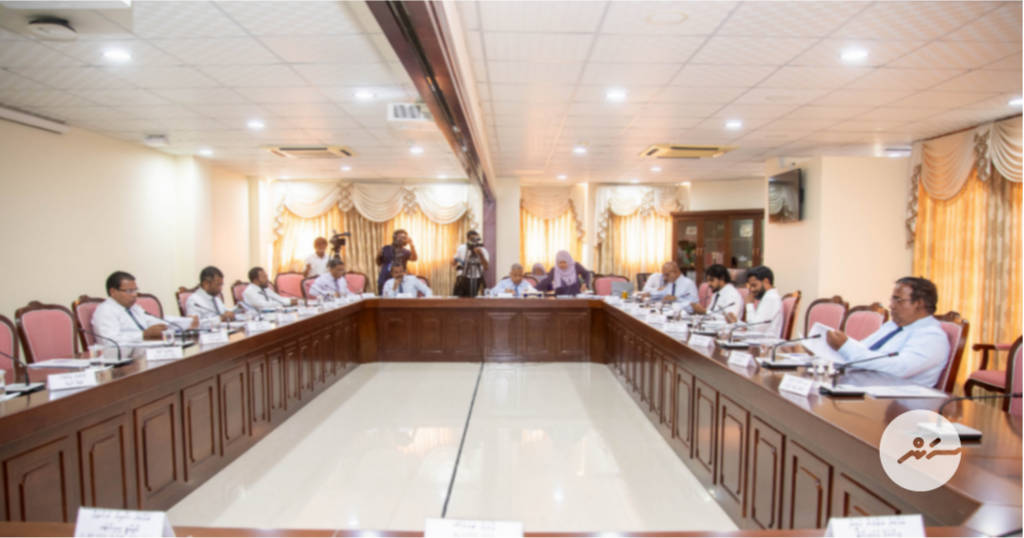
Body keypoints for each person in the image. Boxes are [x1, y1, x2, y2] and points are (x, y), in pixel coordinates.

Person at [826, 278, 951, 388]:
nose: (891, 306)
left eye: (898, 300)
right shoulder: (892, 326)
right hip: (866, 385)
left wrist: (845, 347)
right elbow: (863, 348)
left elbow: (899, 368)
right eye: (892, 300)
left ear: (919, 304)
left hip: (900, 401)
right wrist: (830, 350)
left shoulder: (932, 336)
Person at [93, 272, 198, 344]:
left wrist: (186, 323)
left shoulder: (134, 308)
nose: (134, 295)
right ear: (113, 292)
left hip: (143, 351)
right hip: (122, 361)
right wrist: (143, 335)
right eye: (129, 291)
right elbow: (110, 341)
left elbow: (155, 322)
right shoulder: (106, 310)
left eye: (135, 290)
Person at [729, 266, 783, 338]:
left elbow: (755, 329)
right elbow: (754, 325)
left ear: (766, 281)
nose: (752, 289)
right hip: (757, 341)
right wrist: (736, 322)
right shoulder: (767, 297)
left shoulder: (772, 298)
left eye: (754, 285)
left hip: (764, 344)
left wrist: (749, 304)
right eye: (750, 286)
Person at [376, 229, 418, 295]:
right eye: (399, 237)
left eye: (403, 237)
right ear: (394, 237)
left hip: (399, 278)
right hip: (384, 278)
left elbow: (414, 259)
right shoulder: (386, 248)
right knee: (383, 298)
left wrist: (412, 246)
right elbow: (379, 263)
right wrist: (378, 255)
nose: (401, 239)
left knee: (399, 298)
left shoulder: (406, 251)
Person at [452, 230, 490, 297]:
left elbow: (486, 267)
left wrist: (480, 254)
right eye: (472, 239)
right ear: (467, 240)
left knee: (472, 300)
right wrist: (454, 261)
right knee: (457, 299)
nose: (475, 241)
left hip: (476, 278)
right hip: (463, 277)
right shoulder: (462, 248)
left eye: (476, 239)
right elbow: (454, 260)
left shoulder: (482, 250)